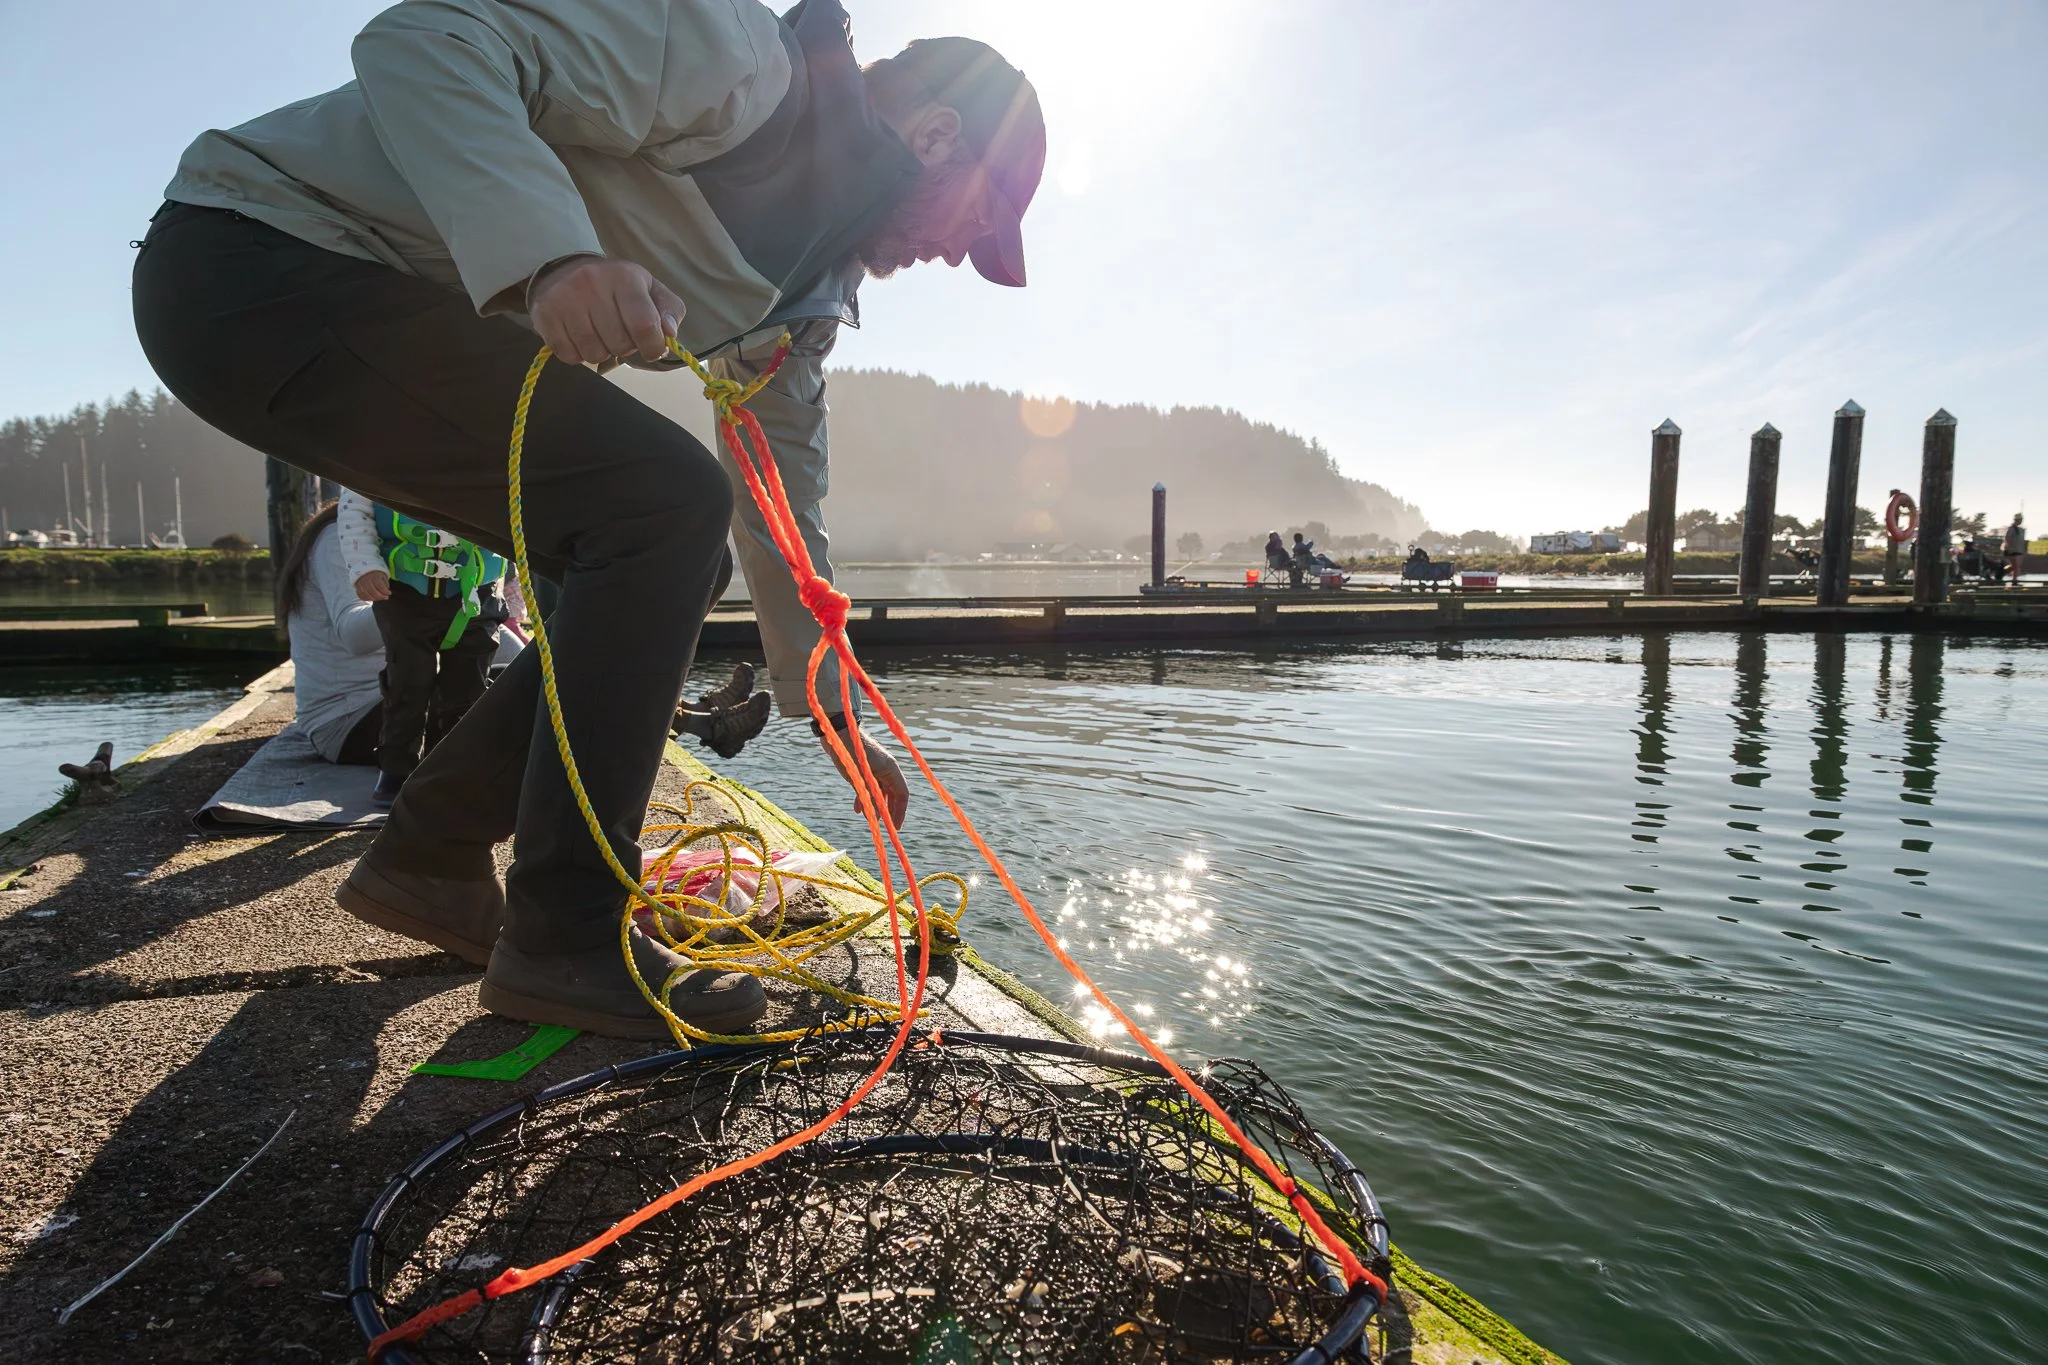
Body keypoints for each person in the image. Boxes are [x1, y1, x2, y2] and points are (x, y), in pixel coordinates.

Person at [132, 0, 1045, 1040]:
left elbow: (783, 506)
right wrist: (549, 259)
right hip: (251, 258)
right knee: (658, 506)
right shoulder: (732, 57)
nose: (955, 253)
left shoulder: (799, 300)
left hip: (359, 327)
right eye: (976, 223)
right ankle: (569, 932)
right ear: (937, 138)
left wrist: (833, 717)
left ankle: (431, 857)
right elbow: (423, 42)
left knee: (669, 540)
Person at [337, 489, 509, 809]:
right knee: (408, 679)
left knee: (468, 684)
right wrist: (363, 566)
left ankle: (454, 766)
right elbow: (354, 511)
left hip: (475, 591)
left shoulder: (496, 447)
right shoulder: (375, 452)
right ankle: (396, 766)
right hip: (403, 591)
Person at [273, 501, 384, 766]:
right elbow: (356, 637)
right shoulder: (339, 538)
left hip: (397, 696)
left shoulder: (429, 540)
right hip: (347, 717)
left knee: (499, 689)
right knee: (489, 724)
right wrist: (422, 600)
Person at [2002, 513, 2028, 587]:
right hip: (2015, 551)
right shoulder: (2012, 529)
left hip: (2017, 550)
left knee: (2015, 567)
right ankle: (2014, 581)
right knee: (2016, 567)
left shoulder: (2019, 529)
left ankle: (2014, 580)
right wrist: (2009, 548)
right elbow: (2008, 539)